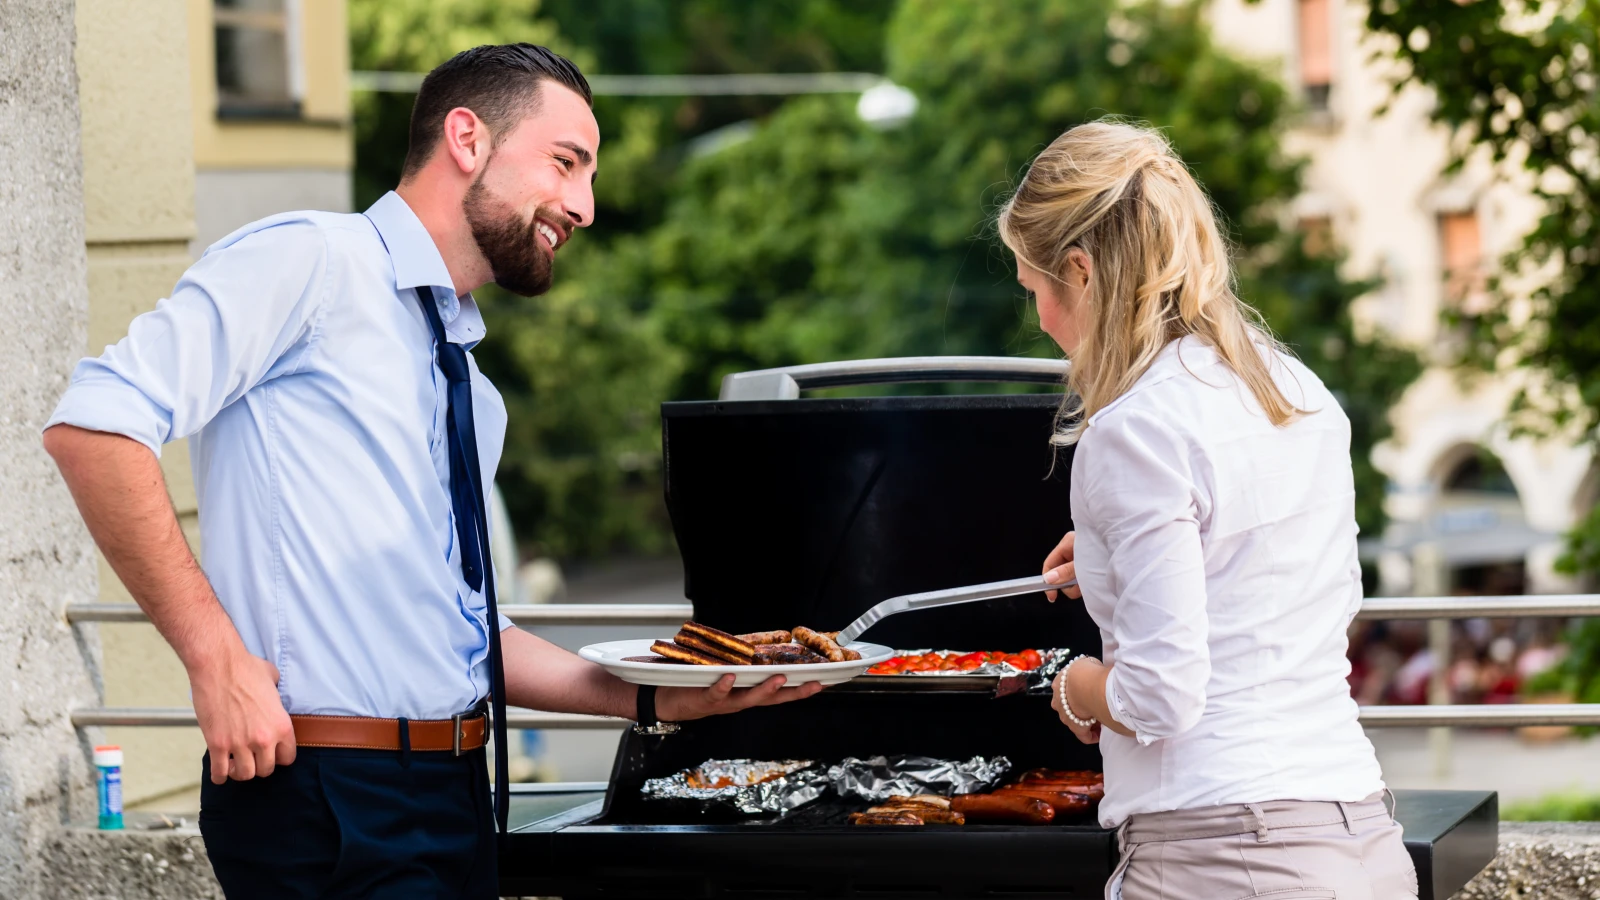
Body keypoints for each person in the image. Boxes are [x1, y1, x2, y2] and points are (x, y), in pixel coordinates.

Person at [42, 44, 819, 899]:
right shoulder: (312, 261)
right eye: (567, 163)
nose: (585, 207)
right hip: (322, 791)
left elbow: (465, 636)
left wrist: (653, 699)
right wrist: (213, 655)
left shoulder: (471, 389)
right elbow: (95, 424)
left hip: (454, 794)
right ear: (466, 138)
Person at [1002, 121, 1418, 899]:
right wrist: (1110, 559)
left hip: (1221, 857)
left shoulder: (1132, 429)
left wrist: (1074, 684)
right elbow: (1284, 587)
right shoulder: (1296, 390)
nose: (1042, 322)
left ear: (1081, 272)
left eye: (1035, 291)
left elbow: (1160, 696)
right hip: (1359, 841)